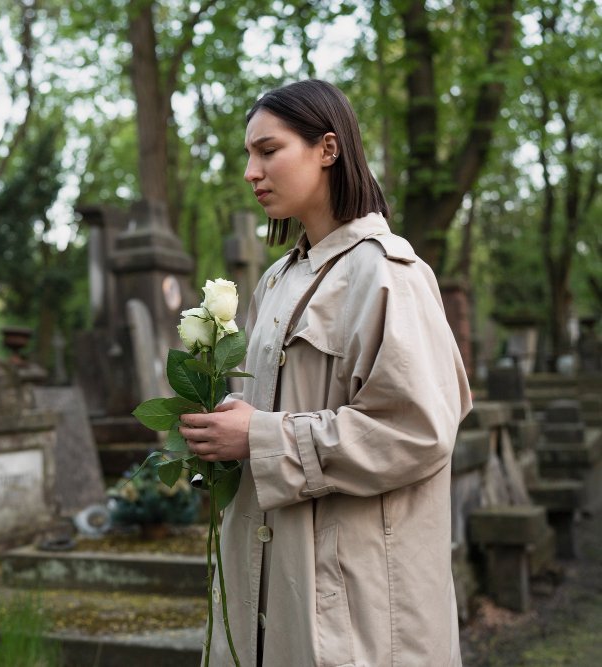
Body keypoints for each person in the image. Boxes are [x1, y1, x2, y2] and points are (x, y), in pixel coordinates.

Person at [178, 80, 471, 666]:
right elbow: (268, 411)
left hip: (353, 602)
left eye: (268, 151)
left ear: (328, 149)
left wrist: (261, 437)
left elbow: (415, 431)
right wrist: (225, 436)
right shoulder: (278, 281)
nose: (250, 171)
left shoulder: (390, 275)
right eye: (247, 155)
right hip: (272, 581)